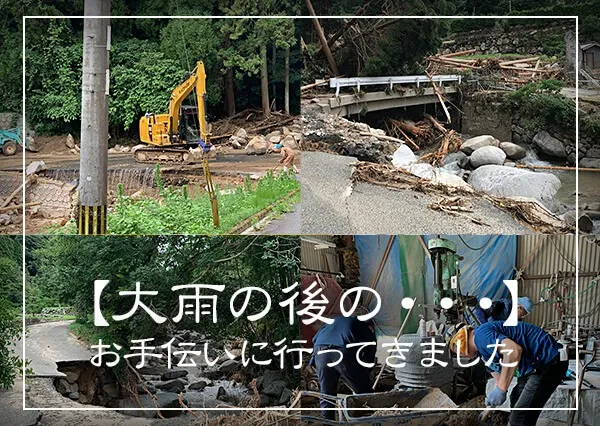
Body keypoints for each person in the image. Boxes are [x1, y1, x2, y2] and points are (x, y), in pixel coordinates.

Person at [447, 321, 568, 426]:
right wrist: (489, 408)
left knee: (520, 416)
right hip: (533, 367)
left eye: (457, 351)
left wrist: (502, 389)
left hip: (548, 362)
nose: (460, 355)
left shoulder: (480, 336)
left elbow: (513, 351)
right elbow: (499, 378)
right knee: (515, 399)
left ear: (460, 342)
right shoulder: (483, 353)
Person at [310, 316, 376, 421]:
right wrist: (365, 378)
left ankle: (328, 423)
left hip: (320, 352)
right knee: (364, 392)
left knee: (327, 394)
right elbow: (369, 354)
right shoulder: (364, 327)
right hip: (342, 352)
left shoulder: (335, 321)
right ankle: (367, 420)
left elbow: (315, 340)